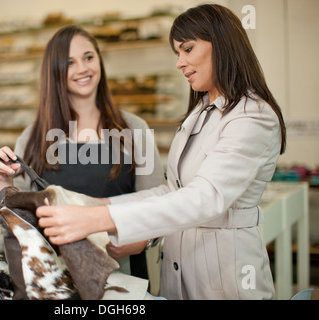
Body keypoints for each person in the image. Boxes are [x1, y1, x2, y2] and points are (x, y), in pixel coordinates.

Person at [35, 4, 287, 300]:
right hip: (180, 271)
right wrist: (96, 205)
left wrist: (98, 220)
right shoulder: (201, 113)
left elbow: (204, 198)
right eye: (177, 53)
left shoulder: (252, 116)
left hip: (226, 277)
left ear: (222, 43)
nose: (180, 63)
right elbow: (171, 191)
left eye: (188, 49)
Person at [0, 25, 165, 281]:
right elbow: (17, 226)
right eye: (70, 62)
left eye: (89, 57)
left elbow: (160, 207)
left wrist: (143, 240)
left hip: (123, 279)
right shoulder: (32, 138)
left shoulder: (134, 130)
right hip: (54, 281)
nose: (83, 69)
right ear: (55, 72)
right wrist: (4, 182)